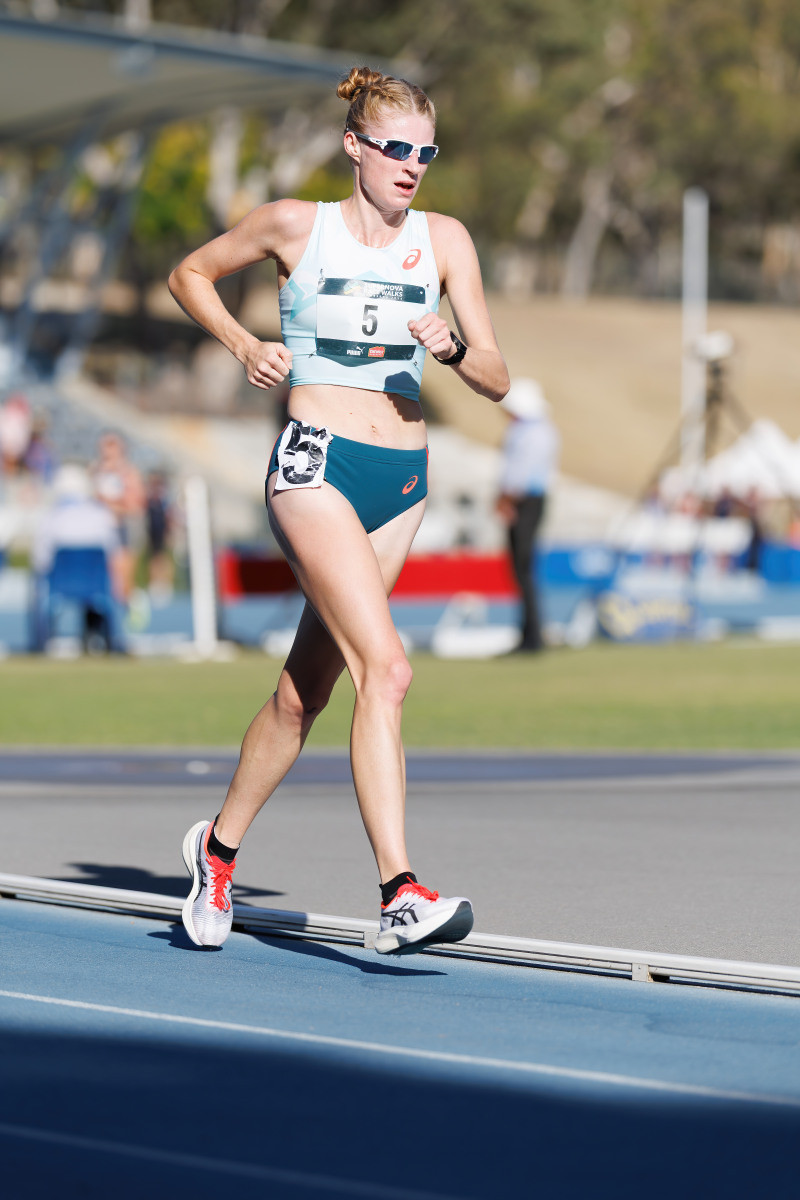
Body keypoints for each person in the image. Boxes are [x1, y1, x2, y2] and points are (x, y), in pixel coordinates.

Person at [168, 66, 509, 953]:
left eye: (426, 153)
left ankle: (216, 850)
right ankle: (400, 893)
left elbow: (498, 377)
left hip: (400, 483)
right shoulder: (295, 225)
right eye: (396, 149)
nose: (411, 167)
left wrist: (454, 348)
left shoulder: (444, 240)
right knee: (386, 671)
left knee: (305, 693)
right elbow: (190, 273)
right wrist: (243, 342)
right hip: (316, 464)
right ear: (355, 146)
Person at [496, 378, 560, 653]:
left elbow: (519, 473)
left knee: (524, 568)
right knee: (522, 570)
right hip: (525, 500)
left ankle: (532, 637)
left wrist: (506, 499)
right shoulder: (537, 429)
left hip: (526, 501)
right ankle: (529, 633)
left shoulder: (532, 432)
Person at [90, 431, 145, 604]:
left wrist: (114, 504)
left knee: (123, 577)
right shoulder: (95, 471)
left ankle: (128, 607)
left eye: (112, 445)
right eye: (106, 446)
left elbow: (136, 504)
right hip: (100, 529)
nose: (108, 451)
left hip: (123, 527)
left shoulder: (129, 473)